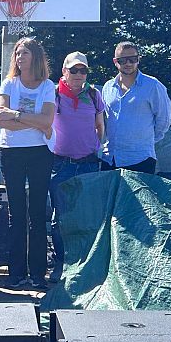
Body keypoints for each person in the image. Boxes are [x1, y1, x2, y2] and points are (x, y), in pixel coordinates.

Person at [0, 38, 55, 289]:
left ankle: (38, 274)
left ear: (36, 57)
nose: (20, 58)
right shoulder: (9, 84)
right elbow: (2, 121)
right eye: (18, 54)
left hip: (40, 152)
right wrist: (34, 120)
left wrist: (17, 115)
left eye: (25, 53)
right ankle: (16, 273)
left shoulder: (47, 86)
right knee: (16, 213)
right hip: (11, 152)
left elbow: (48, 121)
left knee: (37, 213)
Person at [49, 51, 105, 283]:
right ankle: (61, 264)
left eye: (83, 70)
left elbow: (100, 126)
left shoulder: (94, 94)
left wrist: (95, 147)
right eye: (74, 70)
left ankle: (84, 266)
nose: (79, 74)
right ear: (64, 71)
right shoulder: (53, 93)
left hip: (88, 165)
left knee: (87, 217)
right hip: (61, 164)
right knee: (60, 218)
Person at [102, 41, 171, 174]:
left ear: (138, 59)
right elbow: (106, 119)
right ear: (115, 62)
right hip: (110, 159)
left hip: (141, 159)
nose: (128, 63)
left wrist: (143, 142)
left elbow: (164, 121)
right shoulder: (107, 87)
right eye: (122, 60)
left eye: (132, 59)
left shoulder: (153, 86)